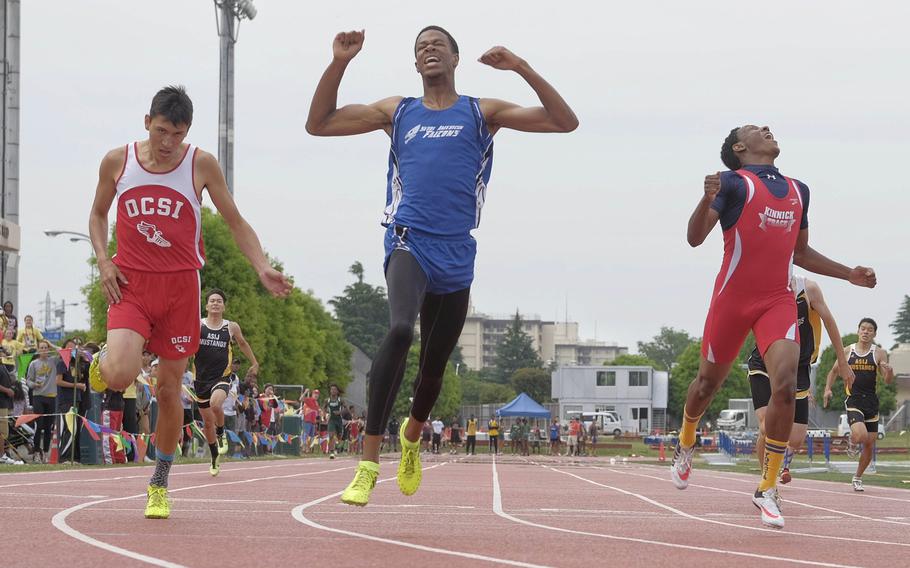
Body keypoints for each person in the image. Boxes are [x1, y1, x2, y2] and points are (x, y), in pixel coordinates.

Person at [308, 26, 578, 506]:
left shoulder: (481, 112)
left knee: (433, 370)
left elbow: (564, 122)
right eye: (419, 47)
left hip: (457, 252)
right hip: (408, 240)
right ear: (415, 65)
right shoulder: (398, 111)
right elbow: (320, 123)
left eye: (437, 44)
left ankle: (411, 438)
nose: (428, 49)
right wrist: (339, 63)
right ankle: (368, 462)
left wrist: (520, 67)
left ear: (455, 57)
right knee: (398, 332)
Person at [87, 85, 291, 519]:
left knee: (167, 391)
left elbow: (234, 220)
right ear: (147, 122)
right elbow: (98, 213)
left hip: (181, 289)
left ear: (187, 132)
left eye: (176, 135)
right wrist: (104, 260)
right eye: (161, 131)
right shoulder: (117, 161)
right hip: (132, 284)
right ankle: (105, 359)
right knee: (120, 374)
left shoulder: (200, 164)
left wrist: (261, 267)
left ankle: (159, 481)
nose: (167, 143)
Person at [673, 124, 877, 529]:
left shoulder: (800, 189)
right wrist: (705, 198)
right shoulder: (732, 184)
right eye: (756, 128)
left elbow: (800, 252)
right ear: (740, 147)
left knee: (785, 384)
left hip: (776, 300)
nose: (767, 129)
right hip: (732, 299)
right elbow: (695, 238)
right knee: (705, 386)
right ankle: (686, 439)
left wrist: (846, 273)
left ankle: (767, 488)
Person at [750, 276, 852, 485]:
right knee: (766, 427)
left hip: (798, 366)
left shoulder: (809, 289)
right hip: (765, 362)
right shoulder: (762, 285)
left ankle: (777, 468)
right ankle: (766, 484)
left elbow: (830, 322)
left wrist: (842, 362)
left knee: (796, 438)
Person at [824, 318, 894, 492]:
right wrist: (827, 389)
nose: (865, 332)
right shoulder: (848, 351)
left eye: (869, 330)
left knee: (870, 443)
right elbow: (833, 371)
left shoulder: (879, 353)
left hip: (871, 401)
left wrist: (890, 371)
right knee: (861, 435)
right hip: (854, 399)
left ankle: (857, 477)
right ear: (858, 331)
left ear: (874, 334)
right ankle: (852, 440)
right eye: (863, 328)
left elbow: (886, 381)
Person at [194, 288, 259, 476]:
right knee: (207, 423)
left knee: (216, 404)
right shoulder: (197, 325)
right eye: (212, 300)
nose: (215, 303)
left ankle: (221, 432)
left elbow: (243, 344)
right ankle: (214, 457)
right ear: (206, 305)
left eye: (219, 301)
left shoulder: (231, 327)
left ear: (223, 306)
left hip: (222, 376)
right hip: (201, 380)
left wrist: (254, 363)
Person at [55, 339, 92, 463]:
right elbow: (58, 381)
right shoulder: (62, 363)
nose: (72, 350)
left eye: (74, 348)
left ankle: (75, 457)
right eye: (69, 348)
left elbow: (87, 374)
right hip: (66, 400)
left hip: (77, 399)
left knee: (75, 429)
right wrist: (76, 385)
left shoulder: (76, 364)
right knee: (68, 429)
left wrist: (85, 359)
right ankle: (64, 457)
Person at [25, 340, 57, 463]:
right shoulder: (34, 363)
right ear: (38, 350)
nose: (44, 350)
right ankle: (37, 451)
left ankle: (45, 451)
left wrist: (52, 344)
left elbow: (63, 351)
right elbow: (28, 380)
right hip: (38, 396)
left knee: (49, 427)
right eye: (42, 348)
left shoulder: (53, 360)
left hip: (51, 396)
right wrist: (34, 384)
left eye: (46, 347)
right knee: (39, 425)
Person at [0, 360, 21, 464]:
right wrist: (7, 390)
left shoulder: (3, 365)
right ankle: (2, 455)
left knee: (4, 431)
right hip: (1, 403)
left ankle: (3, 454)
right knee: (3, 431)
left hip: (4, 402)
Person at [324, 384, 344, 459]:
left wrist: (340, 412)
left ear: (337, 391)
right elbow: (324, 408)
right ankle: (331, 452)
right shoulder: (327, 400)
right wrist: (324, 414)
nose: (333, 391)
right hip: (331, 420)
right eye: (331, 389)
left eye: (334, 389)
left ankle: (337, 445)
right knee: (331, 435)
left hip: (338, 420)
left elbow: (346, 409)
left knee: (339, 436)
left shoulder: (340, 400)